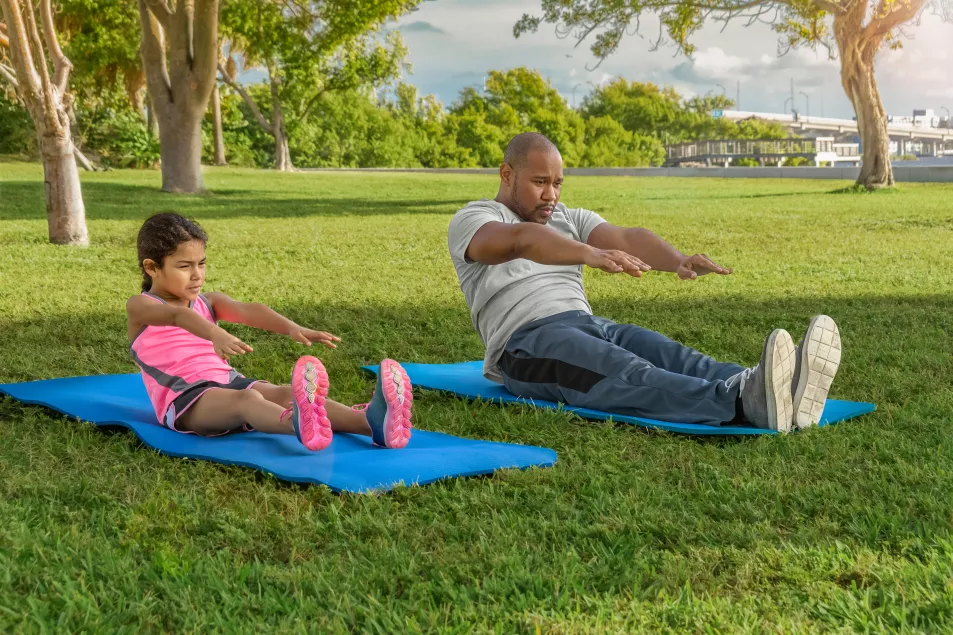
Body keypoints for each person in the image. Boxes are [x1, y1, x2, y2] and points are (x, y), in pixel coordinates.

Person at [447, 132, 841, 433]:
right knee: (626, 372)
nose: (551, 194)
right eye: (539, 182)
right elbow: (520, 241)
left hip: (589, 324)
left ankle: (776, 386)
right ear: (506, 174)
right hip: (526, 347)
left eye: (558, 183)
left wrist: (678, 261)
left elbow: (625, 237)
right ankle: (741, 402)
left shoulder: (566, 217)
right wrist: (588, 254)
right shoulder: (475, 218)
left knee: (672, 355)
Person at [126, 212, 412, 450]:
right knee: (247, 401)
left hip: (229, 381)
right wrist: (215, 334)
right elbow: (176, 316)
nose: (197, 274)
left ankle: (372, 423)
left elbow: (249, 310)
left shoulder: (207, 302)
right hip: (186, 400)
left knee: (282, 392)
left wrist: (293, 328)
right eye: (184, 266)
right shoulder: (141, 306)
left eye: (201, 264)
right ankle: (297, 424)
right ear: (152, 268)